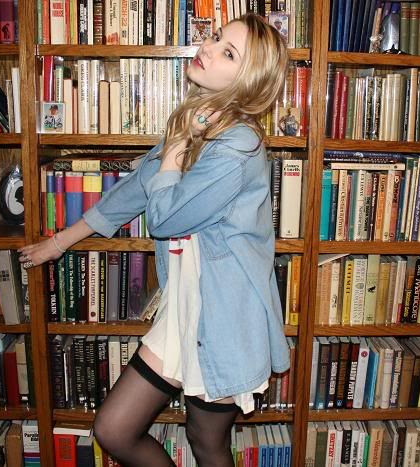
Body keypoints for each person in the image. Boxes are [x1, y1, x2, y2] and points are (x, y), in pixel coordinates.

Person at [18, 13, 289, 467]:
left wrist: (177, 147)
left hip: (225, 320)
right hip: (184, 311)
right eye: (216, 38)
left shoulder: (238, 147)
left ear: (249, 80)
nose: (208, 48)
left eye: (228, 53)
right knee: (114, 428)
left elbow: (165, 218)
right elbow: (138, 189)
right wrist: (61, 241)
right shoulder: (201, 123)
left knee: (206, 443)